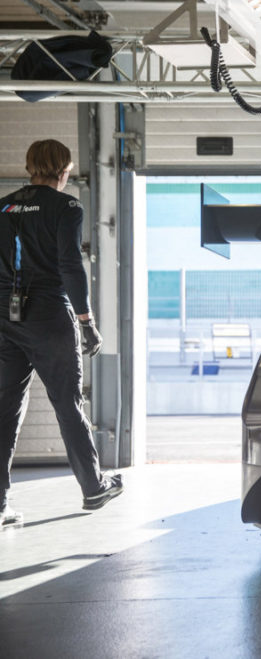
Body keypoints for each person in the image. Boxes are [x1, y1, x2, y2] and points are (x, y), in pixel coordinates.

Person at [0, 139, 122, 528]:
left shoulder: (3, 205)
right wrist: (86, 321)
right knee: (67, 402)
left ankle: (0, 504)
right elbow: (71, 264)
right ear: (64, 170)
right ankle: (93, 486)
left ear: (30, 165)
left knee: (4, 409)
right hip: (49, 315)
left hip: (4, 316)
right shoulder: (67, 206)